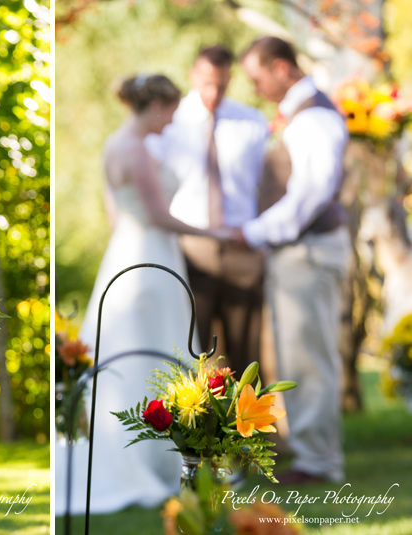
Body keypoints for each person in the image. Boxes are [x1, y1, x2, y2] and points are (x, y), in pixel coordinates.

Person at [55, 74, 232, 516]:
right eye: (170, 110)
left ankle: (153, 454)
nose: (172, 119)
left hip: (125, 253)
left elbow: (118, 215)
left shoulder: (114, 144)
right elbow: (159, 215)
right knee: (153, 354)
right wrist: (213, 231)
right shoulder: (134, 150)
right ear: (154, 106)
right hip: (152, 260)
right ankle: (144, 463)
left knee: (137, 354)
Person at [235, 36, 351, 484]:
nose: (257, 86)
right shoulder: (302, 114)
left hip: (310, 250)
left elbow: (311, 193)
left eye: (258, 76)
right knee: (296, 356)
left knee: (310, 358)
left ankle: (321, 462)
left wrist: (254, 231)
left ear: (281, 68)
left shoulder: (315, 118)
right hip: (298, 251)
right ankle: (308, 450)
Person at [146, 46, 269, 376]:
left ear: (231, 79)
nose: (214, 93)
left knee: (246, 355)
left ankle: (250, 424)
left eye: (223, 84)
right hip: (189, 250)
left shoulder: (253, 123)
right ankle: (195, 426)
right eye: (207, 83)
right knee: (190, 352)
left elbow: (267, 188)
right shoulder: (168, 123)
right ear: (192, 75)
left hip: (241, 247)